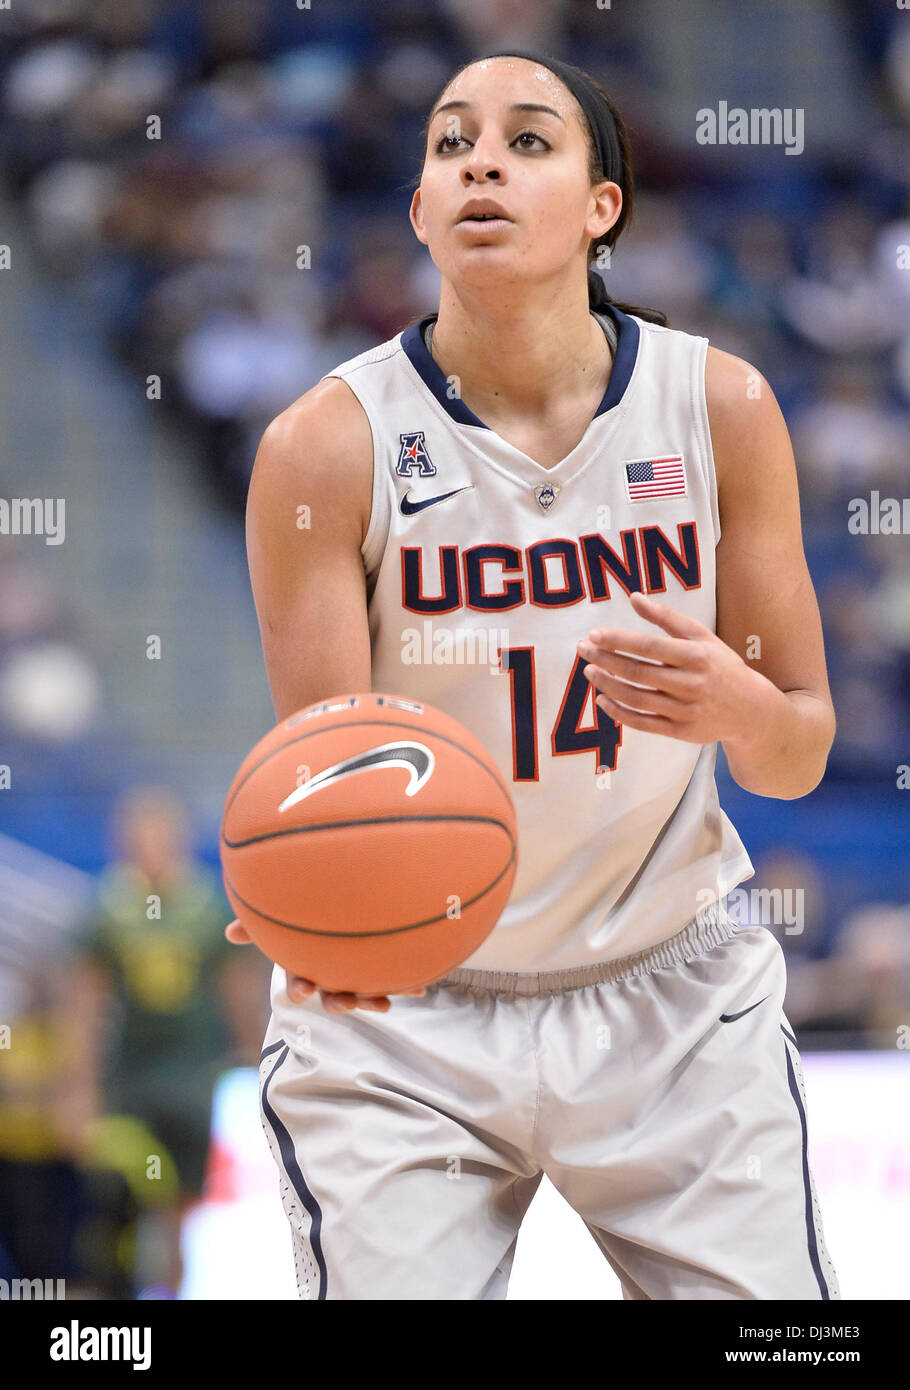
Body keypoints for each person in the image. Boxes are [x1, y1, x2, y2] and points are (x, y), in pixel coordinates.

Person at [228, 50, 840, 1301]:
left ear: (601, 205)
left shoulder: (719, 406)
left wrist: (736, 705)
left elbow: (799, 752)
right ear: (418, 211)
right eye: (451, 145)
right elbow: (333, 772)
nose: (481, 164)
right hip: (409, 1013)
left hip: (672, 992)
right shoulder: (323, 448)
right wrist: (309, 888)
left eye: (526, 140)